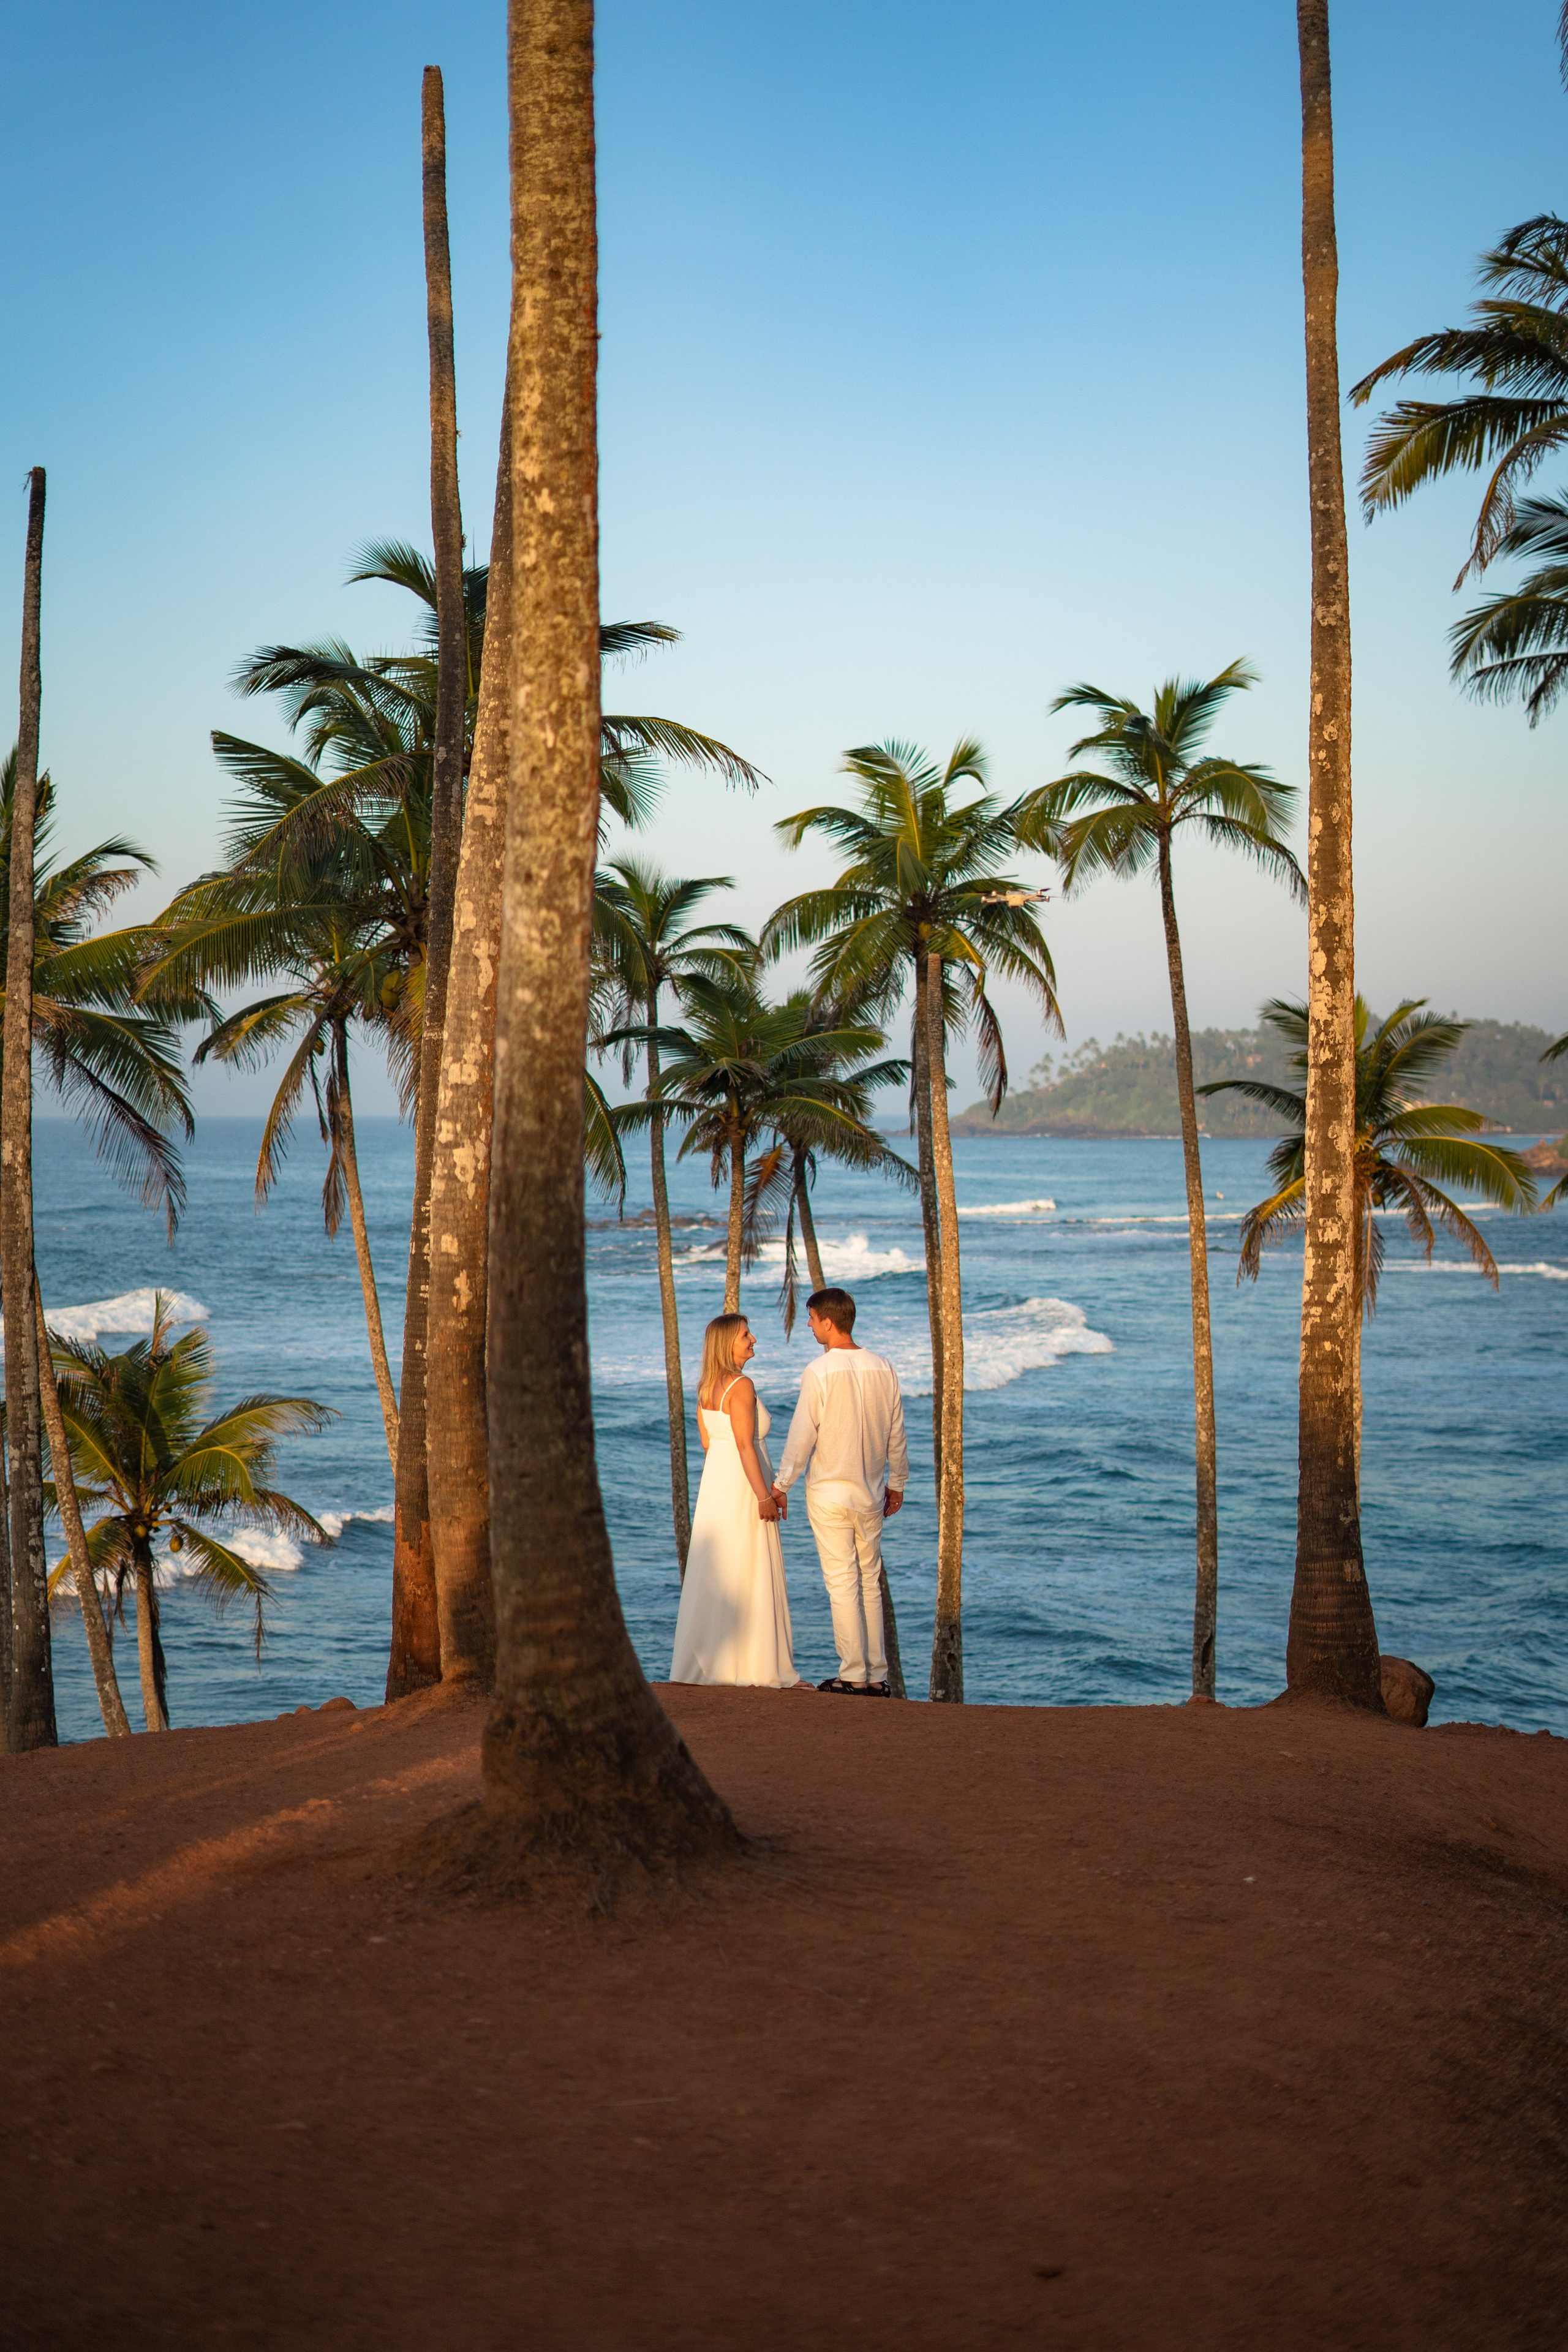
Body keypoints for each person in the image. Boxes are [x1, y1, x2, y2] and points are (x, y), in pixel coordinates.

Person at [772, 1286, 908, 1696]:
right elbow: (896, 1433)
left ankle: (852, 1674)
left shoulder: (820, 1371)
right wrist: (897, 1483)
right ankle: (876, 1675)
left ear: (829, 1322)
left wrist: (782, 1485)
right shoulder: (883, 1367)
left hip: (830, 1492)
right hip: (870, 1492)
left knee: (841, 1582)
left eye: (812, 1320)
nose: (810, 1326)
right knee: (869, 1579)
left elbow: (802, 1436)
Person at [669, 1312, 802, 1689]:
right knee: (750, 1565)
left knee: (724, 1568)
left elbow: (710, 1443)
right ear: (729, 1343)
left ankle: (713, 1662)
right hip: (745, 1484)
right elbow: (746, 1444)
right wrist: (765, 1494)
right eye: (746, 1335)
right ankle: (759, 1666)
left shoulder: (707, 1386)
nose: (753, 1339)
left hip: (717, 1485)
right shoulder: (741, 1385)